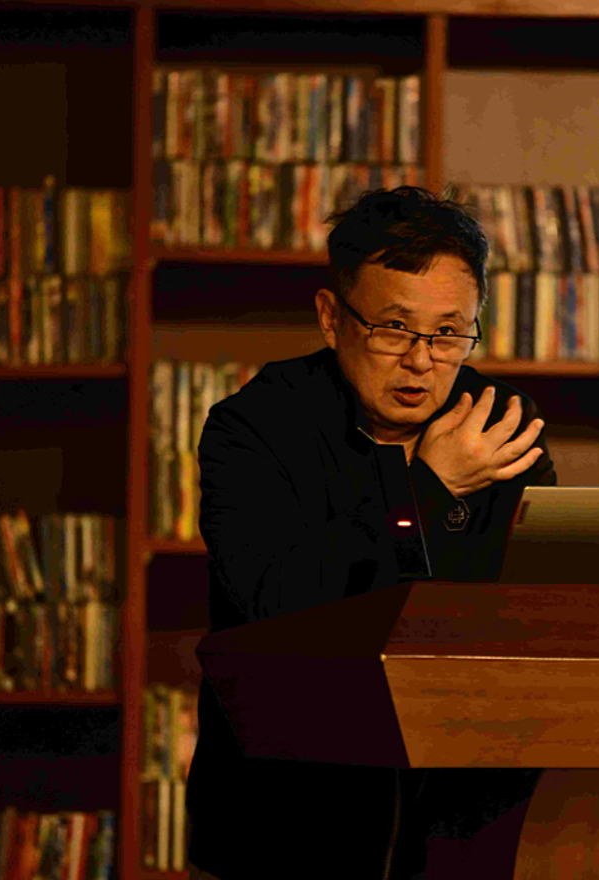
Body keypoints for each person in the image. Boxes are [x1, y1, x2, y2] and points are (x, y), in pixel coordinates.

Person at [186, 186, 558, 879]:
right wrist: (427, 488)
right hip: (285, 811)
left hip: (463, 805)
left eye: (449, 333)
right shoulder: (255, 428)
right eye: (394, 328)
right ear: (332, 318)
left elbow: (534, 612)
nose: (421, 360)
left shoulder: (500, 423)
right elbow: (272, 600)